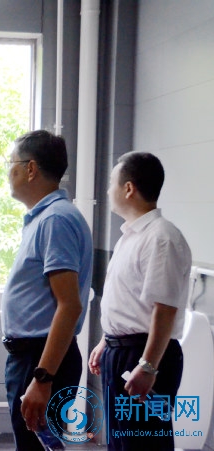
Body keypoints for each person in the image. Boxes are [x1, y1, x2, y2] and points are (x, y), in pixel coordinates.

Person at [88, 152, 191, 450]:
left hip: (146, 354)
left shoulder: (161, 238)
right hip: (123, 352)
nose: (108, 190)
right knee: (122, 442)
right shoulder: (130, 236)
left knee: (144, 442)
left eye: (111, 183)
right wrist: (106, 341)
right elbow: (130, 301)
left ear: (129, 188)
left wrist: (148, 367)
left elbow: (164, 309)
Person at [1, 130, 93, 450]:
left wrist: (42, 378)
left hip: (41, 359)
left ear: (30, 169)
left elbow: (69, 305)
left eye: (11, 163)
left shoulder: (55, 220)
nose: (7, 172)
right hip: (34, 356)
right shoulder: (44, 217)